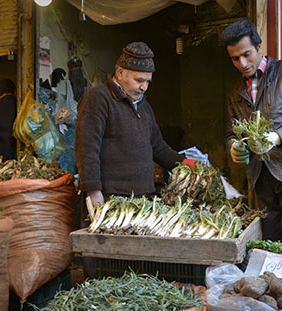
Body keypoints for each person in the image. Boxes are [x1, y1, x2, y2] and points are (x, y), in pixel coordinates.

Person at [222, 20, 282, 250]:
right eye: (235, 58)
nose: (242, 63)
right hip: (261, 178)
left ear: (258, 46)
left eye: (246, 54)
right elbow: (230, 134)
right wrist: (234, 147)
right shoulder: (235, 92)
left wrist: (275, 138)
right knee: (270, 246)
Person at [75, 41, 195, 206]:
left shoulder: (144, 106)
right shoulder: (98, 98)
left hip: (143, 198)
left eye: (148, 81)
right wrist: (93, 190)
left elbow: (158, 147)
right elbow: (87, 147)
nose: (144, 87)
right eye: (139, 80)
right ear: (120, 72)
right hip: (111, 198)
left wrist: (185, 163)